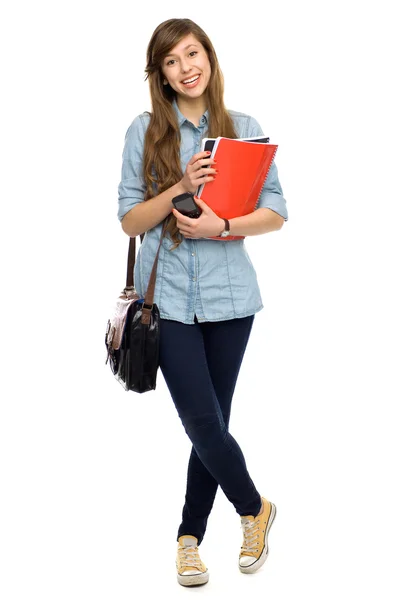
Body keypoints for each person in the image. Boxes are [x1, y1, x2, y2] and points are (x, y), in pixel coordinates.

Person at [117, 18, 288, 587]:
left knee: (211, 425)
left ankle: (188, 540)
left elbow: (276, 213)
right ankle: (254, 510)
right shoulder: (144, 131)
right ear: (160, 75)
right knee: (203, 422)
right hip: (165, 303)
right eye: (171, 61)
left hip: (231, 300)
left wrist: (221, 225)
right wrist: (177, 188)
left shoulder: (245, 128)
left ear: (209, 59)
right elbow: (129, 220)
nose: (185, 67)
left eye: (193, 54)